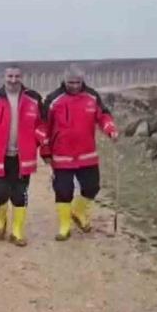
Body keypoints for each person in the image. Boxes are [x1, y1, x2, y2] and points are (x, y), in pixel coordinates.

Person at [40, 65, 118, 241]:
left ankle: (79, 211)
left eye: (77, 82)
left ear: (83, 80)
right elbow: (43, 125)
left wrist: (110, 129)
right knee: (63, 190)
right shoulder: (53, 99)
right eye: (70, 82)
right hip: (62, 156)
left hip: (87, 154)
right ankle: (64, 225)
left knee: (92, 187)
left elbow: (103, 116)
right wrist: (45, 149)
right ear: (64, 80)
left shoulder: (92, 96)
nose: (74, 86)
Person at [0, 65, 47, 246]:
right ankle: (1, 218)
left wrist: (37, 142)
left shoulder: (34, 98)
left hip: (23, 158)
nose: (13, 80)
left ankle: (17, 231)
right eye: (10, 76)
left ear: (22, 77)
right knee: (0, 192)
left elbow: (43, 125)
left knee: (19, 194)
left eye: (17, 76)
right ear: (4, 77)